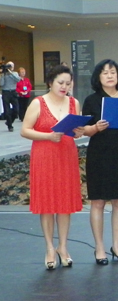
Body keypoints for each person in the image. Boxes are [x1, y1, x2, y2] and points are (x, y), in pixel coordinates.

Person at [20, 65, 84, 269]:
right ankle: (49, 247)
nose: (64, 87)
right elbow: (25, 130)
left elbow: (74, 131)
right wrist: (48, 136)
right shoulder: (38, 103)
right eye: (60, 83)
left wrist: (79, 131)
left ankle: (63, 246)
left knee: (64, 204)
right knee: (47, 203)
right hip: (44, 156)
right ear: (50, 82)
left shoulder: (74, 103)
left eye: (67, 83)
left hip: (66, 155)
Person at [82, 59, 118, 265]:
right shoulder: (91, 100)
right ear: (98, 77)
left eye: (112, 72)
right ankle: (99, 248)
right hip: (99, 153)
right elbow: (83, 130)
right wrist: (96, 127)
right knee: (98, 201)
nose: (109, 76)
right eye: (105, 73)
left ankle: (117, 245)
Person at [1, 61, 21, 132]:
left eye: (11, 66)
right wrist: (3, 74)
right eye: (8, 66)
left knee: (16, 110)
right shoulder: (4, 74)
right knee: (7, 111)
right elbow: (1, 84)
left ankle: (9, 121)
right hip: (6, 92)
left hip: (13, 92)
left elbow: (18, 79)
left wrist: (10, 73)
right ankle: (10, 126)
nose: (9, 67)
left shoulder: (15, 73)